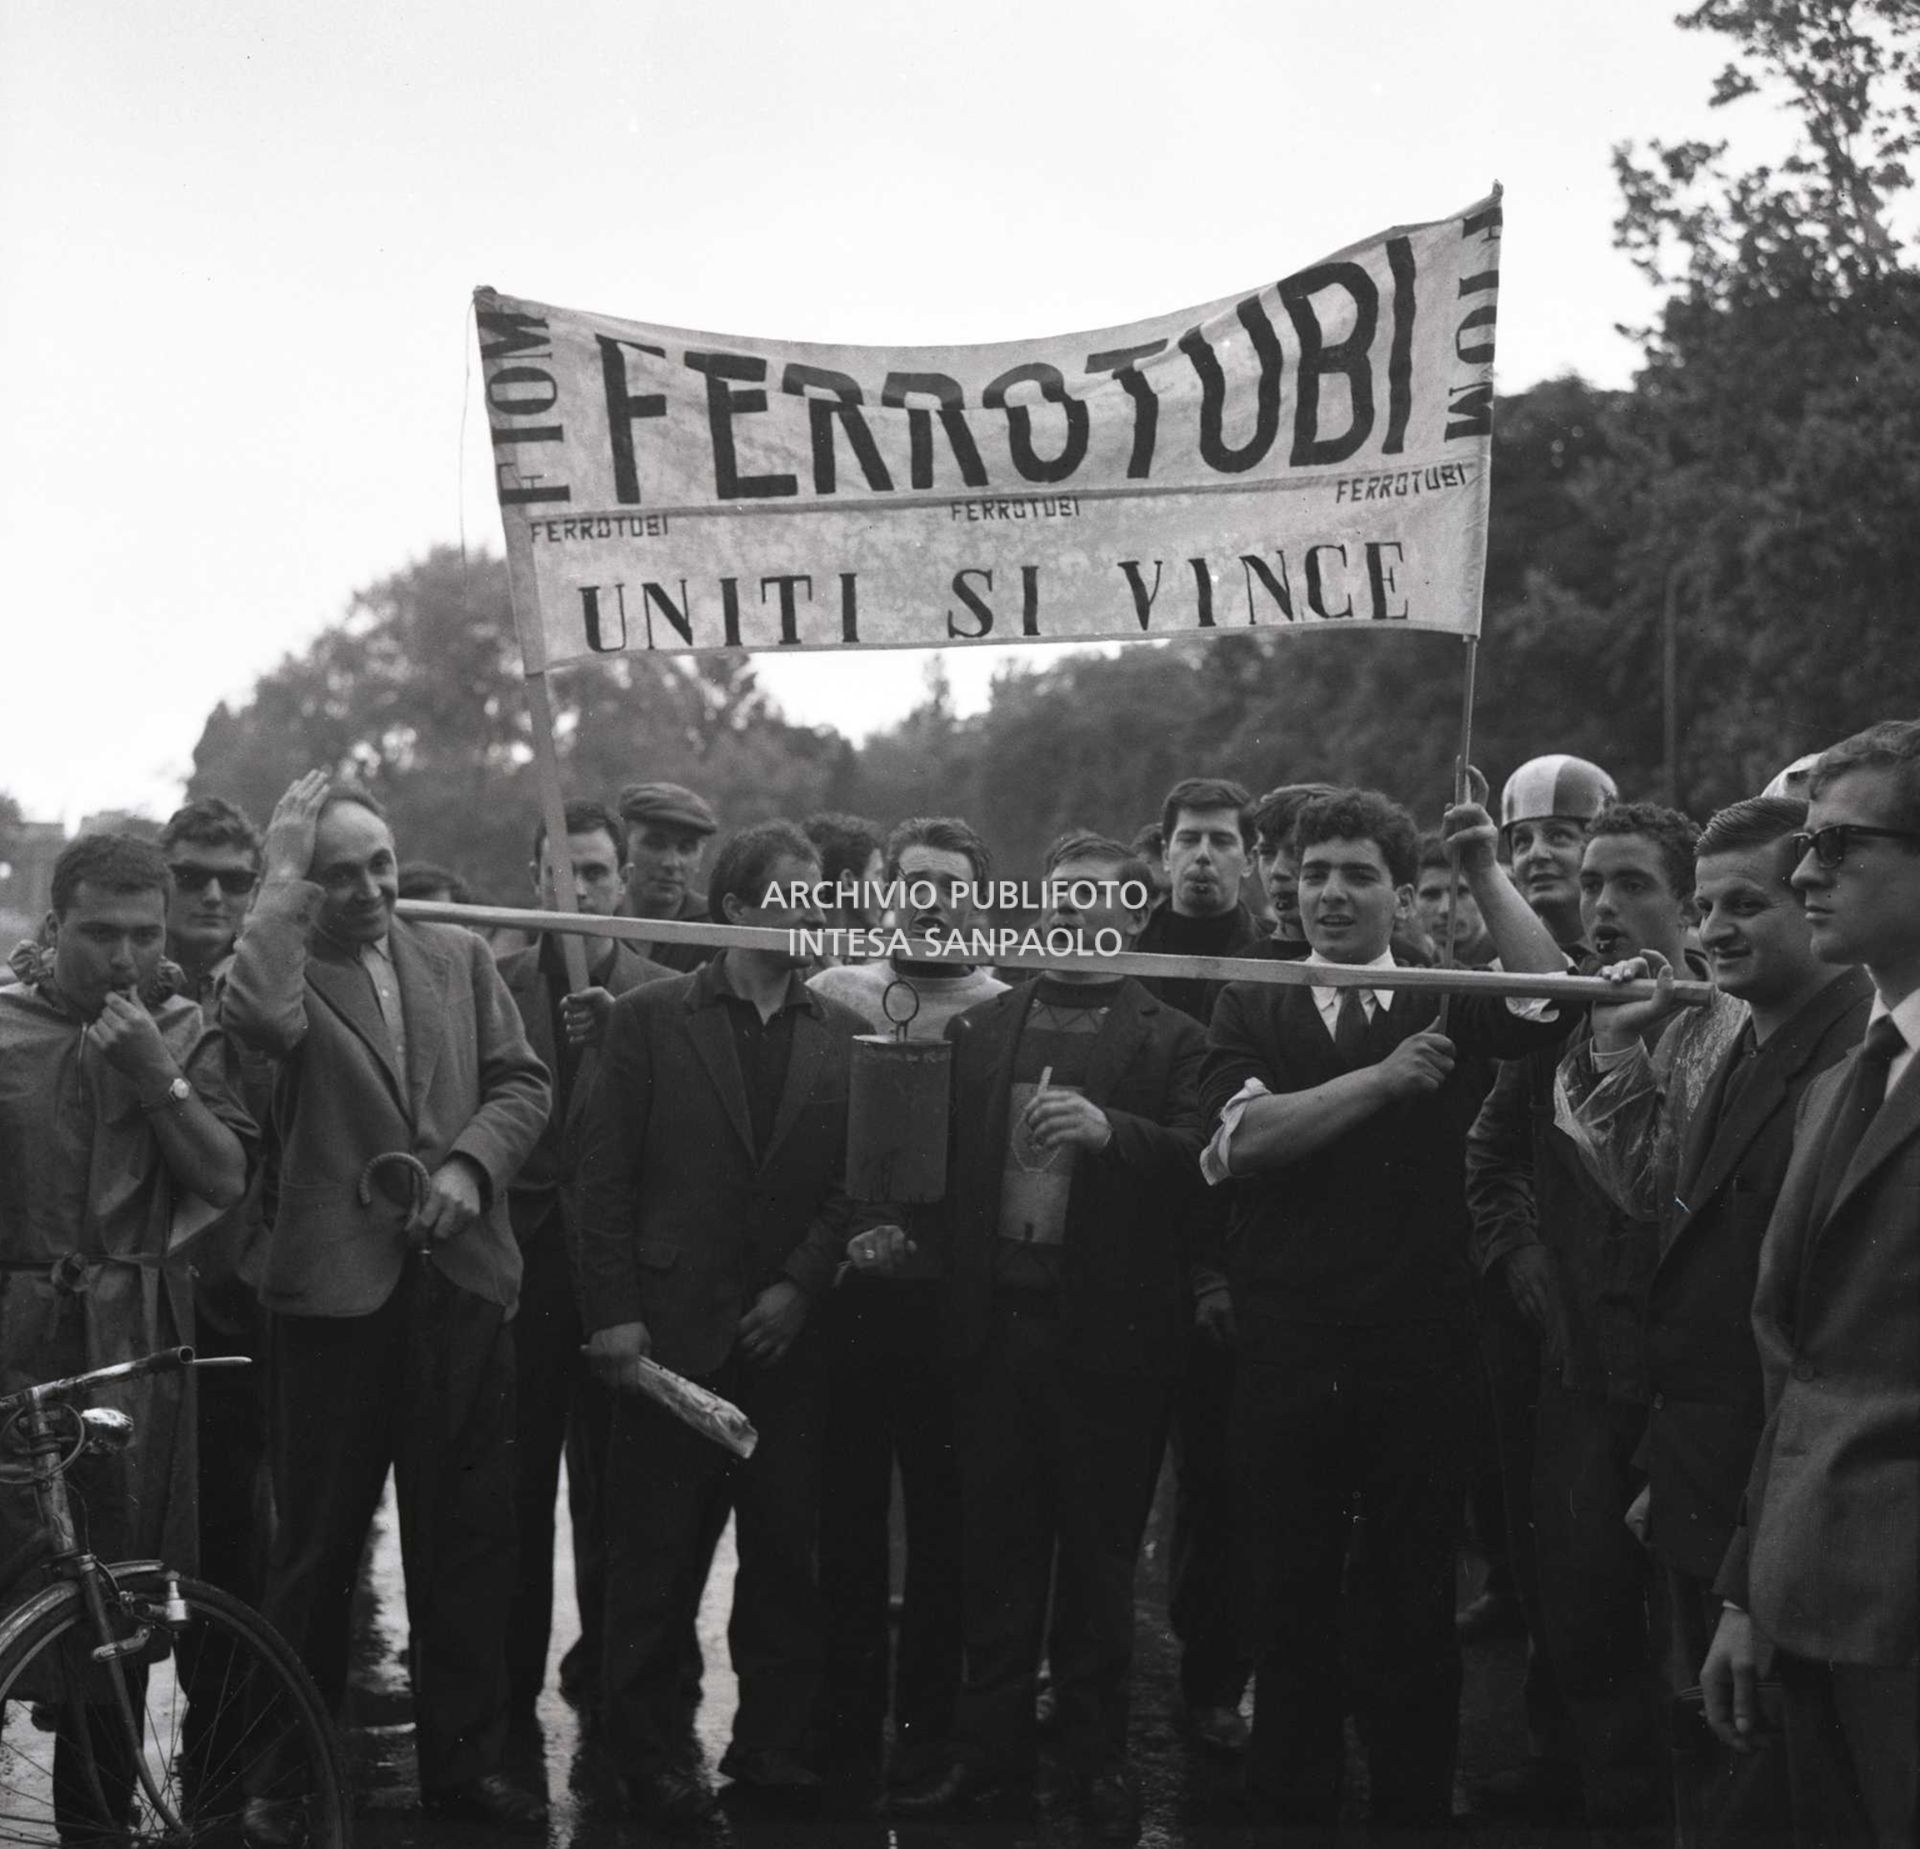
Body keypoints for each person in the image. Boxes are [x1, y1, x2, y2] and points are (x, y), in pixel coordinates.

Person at [1203, 785, 1568, 1836]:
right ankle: (1290, 1811)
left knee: (1413, 1607)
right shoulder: (1251, 998)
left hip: (1421, 1350)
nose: (1331, 893)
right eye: (1315, 872)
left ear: (1403, 893)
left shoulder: (1446, 991)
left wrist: (1488, 866)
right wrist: (1385, 1081)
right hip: (1286, 1348)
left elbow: (1554, 997)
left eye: (1359, 874)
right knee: (1290, 1600)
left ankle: (1412, 1813)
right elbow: (1241, 1146)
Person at [221, 773, 552, 1831]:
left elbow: (522, 1084)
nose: (366, 889)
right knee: (314, 1547)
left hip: (457, 1289)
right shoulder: (282, 967)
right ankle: (289, 1762)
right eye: (335, 874)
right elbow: (257, 1027)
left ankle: (464, 1765)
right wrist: (277, 883)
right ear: (303, 887)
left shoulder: (456, 958)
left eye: (379, 863)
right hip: (333, 1302)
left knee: (466, 1539)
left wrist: (467, 1169)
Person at [877, 832, 1206, 1842]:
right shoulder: (982, 1026)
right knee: (994, 1565)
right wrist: (904, 1235)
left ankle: (1095, 1763)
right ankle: (989, 1765)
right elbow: (941, 1177)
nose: (1076, 916)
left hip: (1110, 1346)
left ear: (1138, 914)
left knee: (1102, 1574)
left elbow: (1208, 1169)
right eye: (1061, 897)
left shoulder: (1176, 1038)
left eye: (1100, 900)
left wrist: (1115, 1134)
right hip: (993, 1339)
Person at [1555, 796, 1870, 1842]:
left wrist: (1746, 1551)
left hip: (1783, 1518)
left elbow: (1820, 1346)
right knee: (1711, 1762)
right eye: (1704, 905)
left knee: (1769, 1786)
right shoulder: (1731, 1040)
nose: (1715, 929)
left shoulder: (1851, 1062)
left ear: (1815, 908)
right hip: (1705, 1482)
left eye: (1750, 902)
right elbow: (1660, 1217)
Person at [571, 820, 867, 1830]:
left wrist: (801, 1285)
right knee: (652, 1562)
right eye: (795, 895)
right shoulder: (652, 1020)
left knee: (786, 1555)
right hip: (667, 1342)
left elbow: (849, 1183)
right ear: (737, 909)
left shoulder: (838, 1030)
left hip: (788, 1343)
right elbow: (600, 1178)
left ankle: (771, 1746)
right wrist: (614, 1315)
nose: (814, 911)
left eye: (822, 894)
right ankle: (639, 1752)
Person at [1468, 800, 1720, 1843]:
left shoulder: (1735, 1024)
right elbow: (1491, 1154)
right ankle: (1598, 1802)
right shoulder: (1561, 1012)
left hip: (1687, 1379)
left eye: (1633, 886)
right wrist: (1517, 1249)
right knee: (1578, 1610)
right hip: (1575, 1369)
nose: (1604, 909)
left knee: (1692, 1637)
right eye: (1593, 886)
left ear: (1689, 904)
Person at [0, 833, 253, 1835]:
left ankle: (95, 1827)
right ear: (53, 925)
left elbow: (224, 1177)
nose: (123, 959)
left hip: (134, 1345)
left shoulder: (186, 1029)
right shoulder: (7, 1026)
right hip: (15, 1338)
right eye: (99, 932)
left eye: (144, 936)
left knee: (114, 1607)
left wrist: (155, 1072)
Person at [1701, 721, 1920, 1849]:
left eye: (1839, 848)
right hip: (1807, 1607)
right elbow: (1797, 1360)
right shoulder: (1844, 1082)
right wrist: (1750, 1588)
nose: (1801, 873)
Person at [807, 816, 1005, 1791]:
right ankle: (843, 1731)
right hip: (845, 1297)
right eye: (913, 878)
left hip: (951, 1309)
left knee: (944, 1527)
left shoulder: (1008, 1004)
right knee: (841, 1521)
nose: (930, 896)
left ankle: (926, 1733)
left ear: (982, 891)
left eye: (949, 879)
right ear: (888, 886)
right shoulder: (833, 990)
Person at [494, 800, 674, 1723]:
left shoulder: (661, 991)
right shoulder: (493, 980)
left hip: (623, 1277)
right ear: (535, 882)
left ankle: (617, 1688)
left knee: (621, 1498)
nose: (580, 889)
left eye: (597, 872)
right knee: (514, 1496)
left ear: (623, 882)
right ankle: (506, 1699)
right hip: (519, 1272)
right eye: (562, 873)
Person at [1132, 775, 1264, 1753]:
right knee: (1108, 1481)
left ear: (1251, 858)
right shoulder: (1125, 963)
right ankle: (1078, 1669)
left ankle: (1215, 1680)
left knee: (1221, 1488)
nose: (1206, 856)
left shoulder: (1274, 965)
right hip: (1129, 1258)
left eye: (1224, 840)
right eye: (1192, 841)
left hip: (1232, 1266)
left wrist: (1218, 1271)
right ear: (1163, 855)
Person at [158, 798, 273, 1617]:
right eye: (190, 876)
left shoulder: (270, 997)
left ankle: (230, 1731)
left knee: (235, 1528)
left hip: (238, 1298)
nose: (211, 895)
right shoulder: (114, 979)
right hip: (135, 1295)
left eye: (234, 881)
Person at [1501, 754, 1619, 952]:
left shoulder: (1659, 955)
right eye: (1522, 841)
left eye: (1558, 835)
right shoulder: (1500, 968)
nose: (1536, 854)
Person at [618, 780, 719, 972]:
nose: (672, 863)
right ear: (624, 844)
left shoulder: (717, 930)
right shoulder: (598, 916)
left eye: (686, 848)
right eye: (656, 844)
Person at [1414, 830, 1496, 967]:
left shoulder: (1513, 961)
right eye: (1431, 895)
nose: (1446, 909)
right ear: (1412, 901)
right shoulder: (1416, 965)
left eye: (1461, 893)